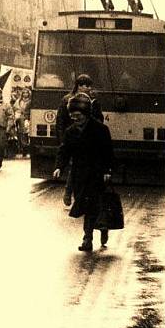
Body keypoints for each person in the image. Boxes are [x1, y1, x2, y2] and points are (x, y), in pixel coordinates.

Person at [53, 93, 113, 252]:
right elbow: (64, 151)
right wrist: (59, 166)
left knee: (93, 205)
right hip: (79, 175)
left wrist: (107, 170)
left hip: (97, 174)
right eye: (72, 116)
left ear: (86, 113)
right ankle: (94, 232)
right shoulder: (70, 131)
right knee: (86, 206)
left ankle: (89, 238)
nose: (75, 119)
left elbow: (108, 152)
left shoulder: (101, 130)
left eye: (78, 115)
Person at [56, 74, 104, 207]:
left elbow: (100, 119)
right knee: (76, 167)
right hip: (72, 138)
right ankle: (71, 192)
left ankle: (73, 193)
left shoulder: (93, 101)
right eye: (85, 85)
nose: (88, 88)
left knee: (80, 167)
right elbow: (60, 121)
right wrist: (62, 140)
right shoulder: (67, 100)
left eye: (89, 85)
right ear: (78, 85)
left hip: (89, 139)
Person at [14, 88, 32, 158]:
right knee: (22, 134)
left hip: (28, 119)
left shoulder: (30, 101)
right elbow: (15, 108)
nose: (25, 94)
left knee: (27, 134)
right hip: (20, 119)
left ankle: (27, 149)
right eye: (24, 93)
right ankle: (23, 150)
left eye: (26, 93)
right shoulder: (19, 101)